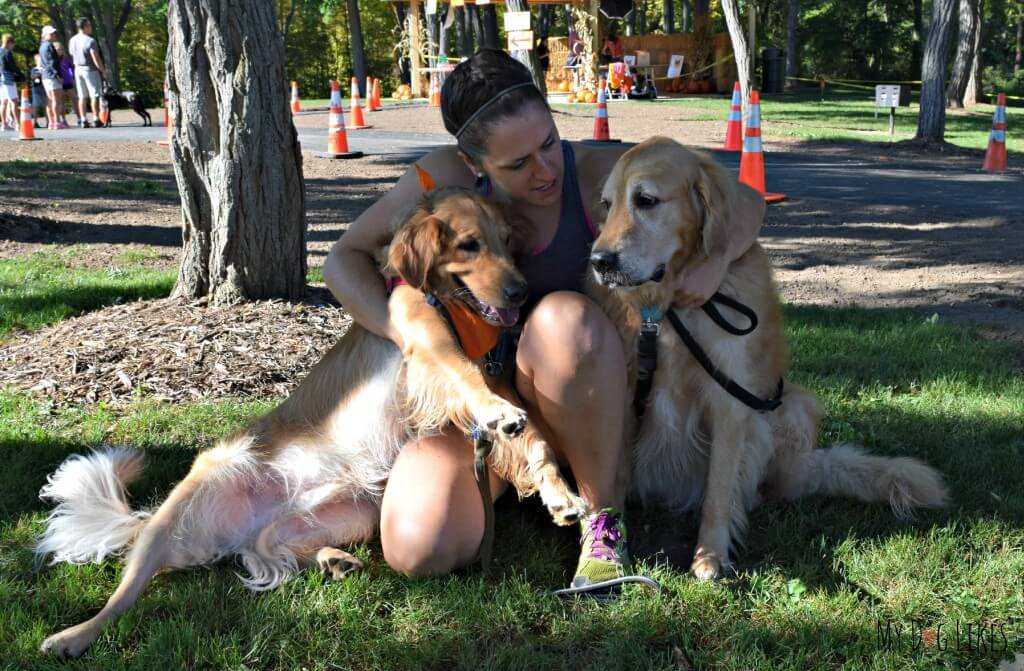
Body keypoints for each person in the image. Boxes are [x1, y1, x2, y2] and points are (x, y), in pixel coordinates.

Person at [324, 50, 762, 592]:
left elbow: (743, 199)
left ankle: (604, 520)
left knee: (564, 318)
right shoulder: (440, 179)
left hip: (576, 389)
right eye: (517, 164)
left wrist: (716, 262)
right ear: (474, 164)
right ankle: (532, 487)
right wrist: (413, 339)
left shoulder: (598, 173)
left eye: (549, 143)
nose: (545, 170)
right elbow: (340, 261)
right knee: (421, 547)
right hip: (483, 404)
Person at [68, 16, 107, 128]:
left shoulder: (72, 40)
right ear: (85, 27)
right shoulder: (90, 40)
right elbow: (95, 57)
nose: (91, 27)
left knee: (82, 96)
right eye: (89, 25)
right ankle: (95, 118)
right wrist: (103, 70)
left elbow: (71, 53)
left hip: (77, 69)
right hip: (89, 69)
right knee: (94, 95)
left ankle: (83, 119)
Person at [39, 25, 67, 130]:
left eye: (53, 33)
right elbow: (52, 63)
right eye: (51, 34)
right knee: (56, 99)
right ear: (45, 35)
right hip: (52, 75)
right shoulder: (49, 46)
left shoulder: (42, 46)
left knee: (50, 100)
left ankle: (51, 122)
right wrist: (58, 75)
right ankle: (57, 121)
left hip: (46, 75)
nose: (53, 35)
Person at [0, 33, 24, 131]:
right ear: (10, 42)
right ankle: (18, 124)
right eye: (13, 44)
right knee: (14, 101)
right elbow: (12, 66)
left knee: (3, 102)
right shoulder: (7, 52)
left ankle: (4, 124)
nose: (13, 46)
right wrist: (21, 76)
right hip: (8, 79)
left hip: (0, 80)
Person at [55, 41, 77, 126]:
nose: (60, 51)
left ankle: (79, 117)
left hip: (68, 82)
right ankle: (63, 119)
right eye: (58, 49)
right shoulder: (54, 60)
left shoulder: (66, 59)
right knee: (62, 101)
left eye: (61, 49)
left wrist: (73, 78)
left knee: (74, 99)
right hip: (60, 82)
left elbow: (72, 68)